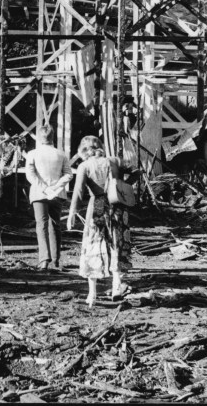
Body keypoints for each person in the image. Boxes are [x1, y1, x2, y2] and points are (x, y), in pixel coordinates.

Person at [66, 135, 130, 307]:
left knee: (94, 246)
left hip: (97, 206)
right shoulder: (113, 161)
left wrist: (72, 213)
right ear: (100, 146)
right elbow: (122, 182)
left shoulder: (84, 166)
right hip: (116, 206)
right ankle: (117, 287)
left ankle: (92, 295)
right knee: (116, 244)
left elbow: (78, 192)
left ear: (83, 150)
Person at [25, 124, 73, 271]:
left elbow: (30, 175)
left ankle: (44, 259)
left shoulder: (32, 154)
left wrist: (44, 188)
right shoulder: (61, 154)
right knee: (55, 225)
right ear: (53, 138)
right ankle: (56, 260)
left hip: (39, 194)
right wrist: (56, 186)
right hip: (57, 193)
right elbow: (69, 174)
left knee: (42, 225)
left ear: (39, 138)